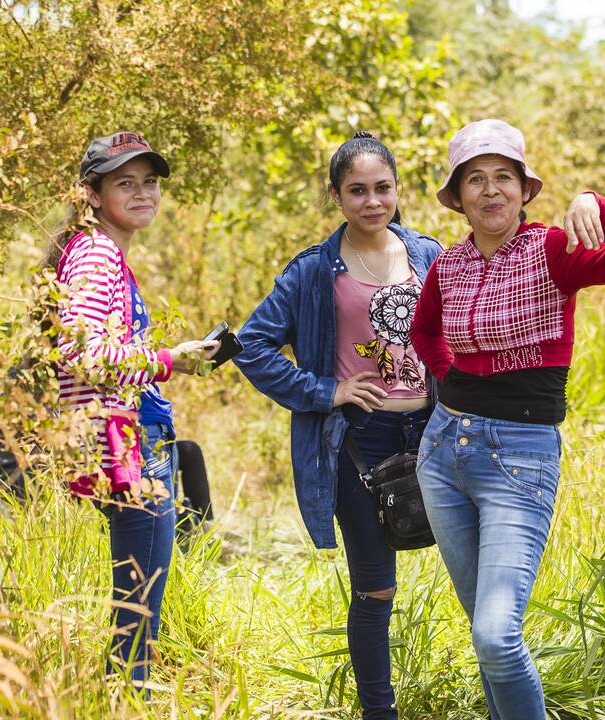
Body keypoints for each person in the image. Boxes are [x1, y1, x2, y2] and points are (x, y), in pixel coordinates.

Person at [409, 118, 605, 720]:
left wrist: (598, 204)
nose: (490, 191)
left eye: (503, 177)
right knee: (487, 636)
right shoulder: (448, 264)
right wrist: (447, 375)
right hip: (443, 454)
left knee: (495, 634)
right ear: (457, 197)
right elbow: (423, 329)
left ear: (524, 188)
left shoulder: (553, 251)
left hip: (521, 455)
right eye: (474, 180)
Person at [233, 132, 442, 719]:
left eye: (382, 188)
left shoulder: (429, 255)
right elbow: (251, 347)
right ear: (335, 196)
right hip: (358, 443)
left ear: (398, 190)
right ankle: (382, 713)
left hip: (434, 436)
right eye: (357, 191)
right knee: (376, 587)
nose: (372, 201)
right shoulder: (312, 272)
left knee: (475, 573)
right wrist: (327, 390)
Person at [49, 131, 219, 689]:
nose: (144, 193)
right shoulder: (97, 253)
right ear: (93, 194)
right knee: (140, 608)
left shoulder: (96, 249)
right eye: (126, 183)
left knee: (137, 595)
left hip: (119, 435)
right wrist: (170, 359)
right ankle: (129, 697)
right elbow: (83, 352)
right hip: (123, 441)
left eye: (150, 182)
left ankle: (124, 693)